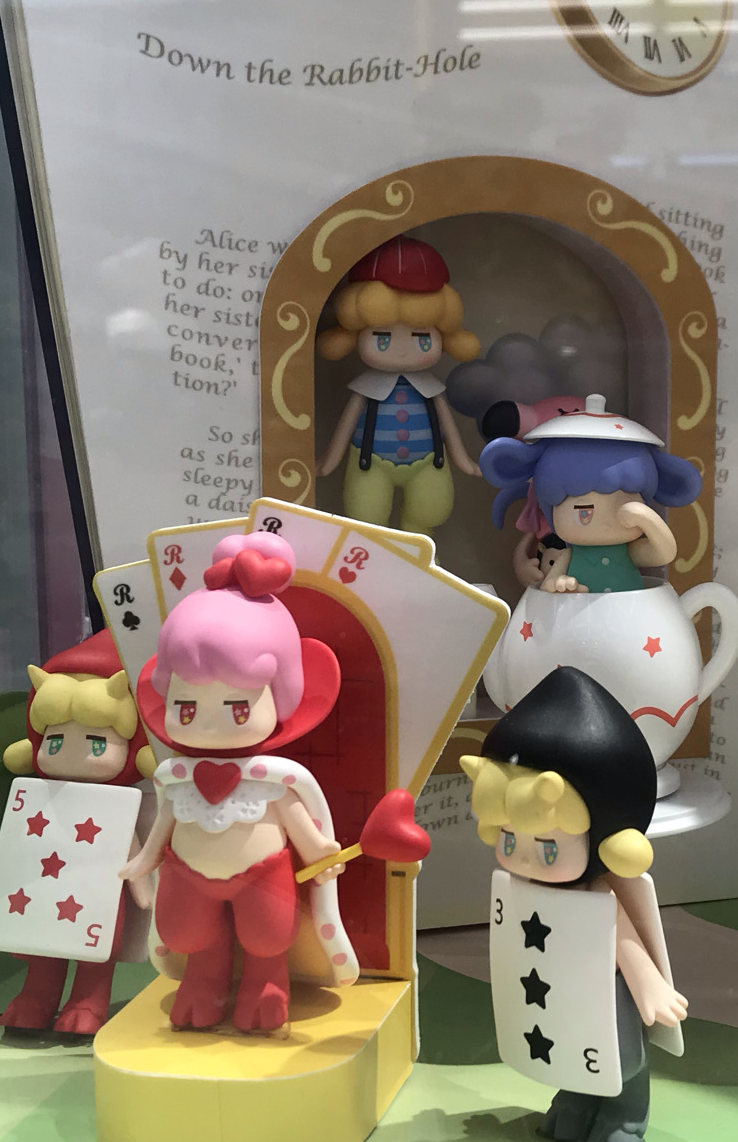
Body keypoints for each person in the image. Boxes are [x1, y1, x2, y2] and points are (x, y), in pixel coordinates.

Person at [120, 532, 351, 1033]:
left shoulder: (274, 779)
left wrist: (319, 850)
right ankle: (203, 985)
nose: (207, 723)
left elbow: (298, 821)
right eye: (186, 707)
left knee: (268, 936)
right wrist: (144, 860)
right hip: (187, 872)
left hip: (262, 873)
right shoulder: (176, 777)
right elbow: (164, 823)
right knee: (188, 932)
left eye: (237, 707)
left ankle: (267, 986)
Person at [460, 666, 684, 1142]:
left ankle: (626, 1110)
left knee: (621, 1051)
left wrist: (651, 987)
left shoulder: (599, 897)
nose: (521, 857)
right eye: (508, 839)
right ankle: (576, 1100)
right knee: (562, 1036)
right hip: (554, 993)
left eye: (546, 846)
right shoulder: (518, 893)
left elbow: (624, 939)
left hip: (601, 988)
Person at [0, 630, 155, 1035]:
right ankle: (35, 998)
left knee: (95, 954)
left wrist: (144, 890)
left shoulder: (117, 805)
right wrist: (0, 881)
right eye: (55, 740)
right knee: (41, 947)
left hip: (98, 896)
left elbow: (131, 848)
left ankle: (88, 1002)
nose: (72, 752)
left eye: (97, 744)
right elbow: (19, 845)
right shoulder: (37, 798)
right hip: (41, 892)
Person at [316, 236, 482, 535]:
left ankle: (420, 553)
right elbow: (346, 426)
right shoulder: (365, 391)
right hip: (370, 462)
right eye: (382, 339)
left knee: (429, 510)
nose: (403, 350)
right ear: (353, 335)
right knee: (367, 515)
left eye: (422, 338)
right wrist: (329, 461)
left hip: (428, 461)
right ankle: (373, 554)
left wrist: (462, 459)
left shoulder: (431, 390)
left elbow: (447, 429)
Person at [480, 394, 700, 594]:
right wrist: (558, 584)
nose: (617, 514)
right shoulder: (569, 555)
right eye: (583, 510)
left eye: (626, 502)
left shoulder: (629, 552)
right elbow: (549, 583)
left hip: (628, 619)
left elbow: (664, 553)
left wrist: (645, 517)